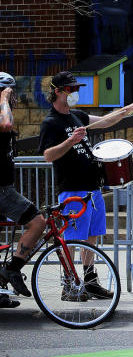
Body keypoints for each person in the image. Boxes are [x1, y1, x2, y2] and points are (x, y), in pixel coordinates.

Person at [38, 71, 133, 300]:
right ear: (57, 91)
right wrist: (71, 141)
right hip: (72, 189)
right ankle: (69, 284)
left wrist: (129, 108)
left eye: (76, 89)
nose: (74, 93)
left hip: (92, 188)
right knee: (71, 238)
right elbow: (48, 155)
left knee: (92, 236)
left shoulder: (76, 115)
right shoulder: (51, 122)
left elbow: (107, 121)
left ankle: (89, 281)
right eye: (70, 89)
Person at [0, 72, 45, 307]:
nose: (15, 98)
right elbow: (6, 124)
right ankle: (12, 270)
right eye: (12, 93)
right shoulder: (1, 114)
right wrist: (3, 98)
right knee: (38, 222)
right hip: (1, 191)